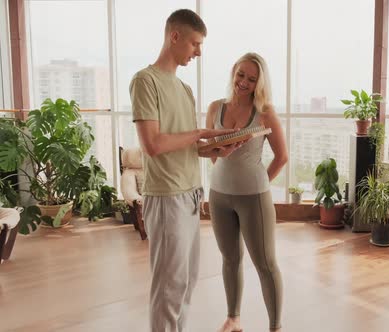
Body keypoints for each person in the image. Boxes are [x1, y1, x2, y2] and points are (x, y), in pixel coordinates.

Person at [130, 9, 240, 332]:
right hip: (166, 198)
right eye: (195, 43)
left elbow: (187, 146)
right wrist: (200, 134)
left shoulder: (185, 90)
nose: (199, 52)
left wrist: (217, 148)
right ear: (174, 37)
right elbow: (153, 144)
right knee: (169, 287)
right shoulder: (145, 81)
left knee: (187, 284)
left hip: (191, 195)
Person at [206, 52, 288, 332]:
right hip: (218, 195)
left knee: (265, 264)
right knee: (230, 259)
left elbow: (282, 157)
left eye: (252, 79)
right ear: (234, 72)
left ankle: (275, 327)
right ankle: (233, 318)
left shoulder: (265, 112)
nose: (244, 82)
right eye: (241, 74)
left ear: (259, 83)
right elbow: (211, 150)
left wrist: (259, 183)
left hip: (254, 198)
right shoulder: (215, 107)